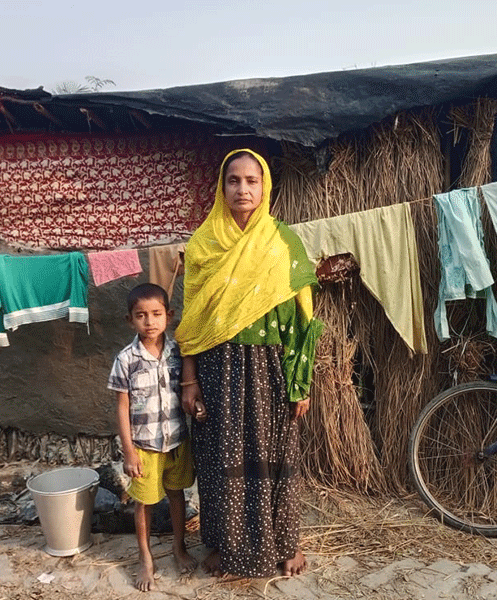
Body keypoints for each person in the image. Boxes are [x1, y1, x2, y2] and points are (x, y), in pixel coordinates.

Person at [175, 149, 324, 578]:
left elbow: (302, 318)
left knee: (273, 454)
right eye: (234, 181)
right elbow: (191, 320)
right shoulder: (204, 244)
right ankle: (228, 546)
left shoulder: (282, 242)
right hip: (217, 368)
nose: (243, 189)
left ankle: (284, 545)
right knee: (222, 459)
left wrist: (301, 383)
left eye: (251, 181)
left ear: (265, 187)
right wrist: (189, 380)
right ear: (221, 188)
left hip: (271, 366)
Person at [107, 283, 197, 591]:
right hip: (144, 446)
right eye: (141, 315)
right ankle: (145, 557)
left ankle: (178, 547)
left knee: (176, 494)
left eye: (156, 314)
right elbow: (121, 408)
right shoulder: (126, 359)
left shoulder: (179, 353)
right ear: (129, 320)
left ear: (168, 316)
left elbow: (186, 391)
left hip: (176, 441)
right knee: (143, 502)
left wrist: (197, 407)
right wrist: (128, 452)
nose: (150, 322)